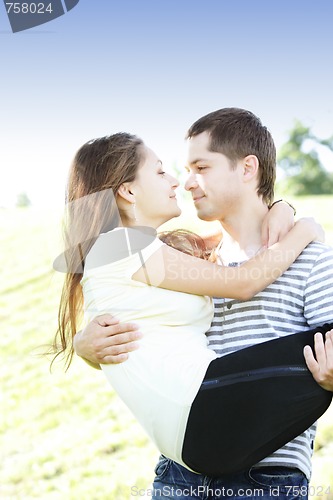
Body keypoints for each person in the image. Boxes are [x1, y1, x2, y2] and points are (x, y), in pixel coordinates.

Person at [73, 108, 333, 499]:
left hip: (266, 476)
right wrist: (86, 348)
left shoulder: (313, 260)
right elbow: (138, 320)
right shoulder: (188, 261)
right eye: (171, 170)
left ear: (248, 169)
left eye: (200, 167)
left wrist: (294, 219)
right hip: (178, 472)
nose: (185, 182)